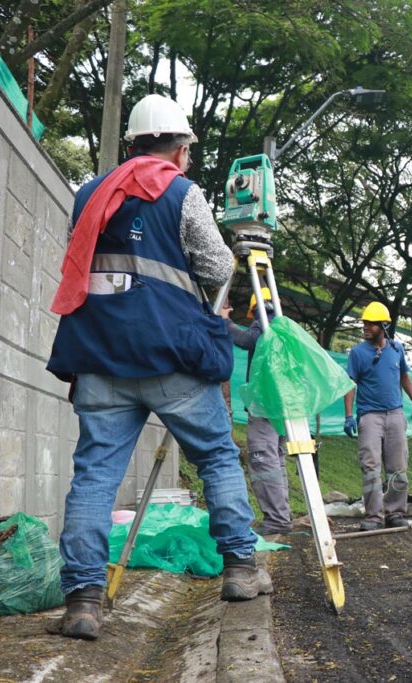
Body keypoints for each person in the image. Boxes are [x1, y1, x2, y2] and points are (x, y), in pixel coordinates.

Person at [46, 94, 269, 641]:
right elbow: (217, 267)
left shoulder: (89, 194)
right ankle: (240, 568)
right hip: (171, 356)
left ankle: (82, 601)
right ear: (180, 147)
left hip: (99, 356)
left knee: (95, 477)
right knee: (216, 456)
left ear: (131, 144)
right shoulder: (181, 191)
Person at [342, 302, 412, 531]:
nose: (366, 327)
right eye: (365, 323)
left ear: (384, 326)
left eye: (371, 323)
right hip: (370, 417)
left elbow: (404, 377)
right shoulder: (358, 353)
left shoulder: (397, 349)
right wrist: (349, 416)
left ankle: (396, 513)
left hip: (395, 414)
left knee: (398, 468)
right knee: (370, 467)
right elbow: (350, 384)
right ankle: (373, 517)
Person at [219, 288, 292, 539]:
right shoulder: (283, 326)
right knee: (276, 458)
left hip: (265, 403)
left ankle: (277, 518)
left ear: (254, 309)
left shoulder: (265, 322)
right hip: (282, 404)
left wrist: (225, 322)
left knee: (263, 458)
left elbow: (247, 340)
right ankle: (282, 515)